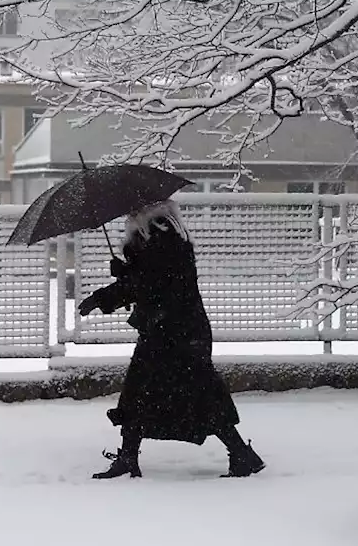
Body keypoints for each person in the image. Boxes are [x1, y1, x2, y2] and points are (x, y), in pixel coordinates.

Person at [77, 200, 265, 480]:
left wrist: (105, 295)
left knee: (192, 394)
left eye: (133, 209)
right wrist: (127, 271)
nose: (128, 213)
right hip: (174, 329)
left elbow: (150, 284)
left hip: (175, 332)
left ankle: (240, 454)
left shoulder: (162, 239)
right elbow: (152, 280)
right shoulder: (164, 236)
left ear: (145, 211)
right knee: (148, 392)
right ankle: (131, 456)